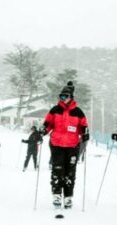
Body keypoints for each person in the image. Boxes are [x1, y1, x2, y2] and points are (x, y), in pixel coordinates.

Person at [40, 81, 89, 209]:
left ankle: (68, 197)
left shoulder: (78, 112)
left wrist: (85, 133)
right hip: (56, 144)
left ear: (71, 97)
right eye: (61, 96)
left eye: (65, 96)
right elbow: (48, 123)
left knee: (70, 172)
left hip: (72, 146)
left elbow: (83, 125)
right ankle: (56, 194)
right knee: (57, 170)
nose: (63, 99)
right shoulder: (55, 110)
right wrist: (43, 131)